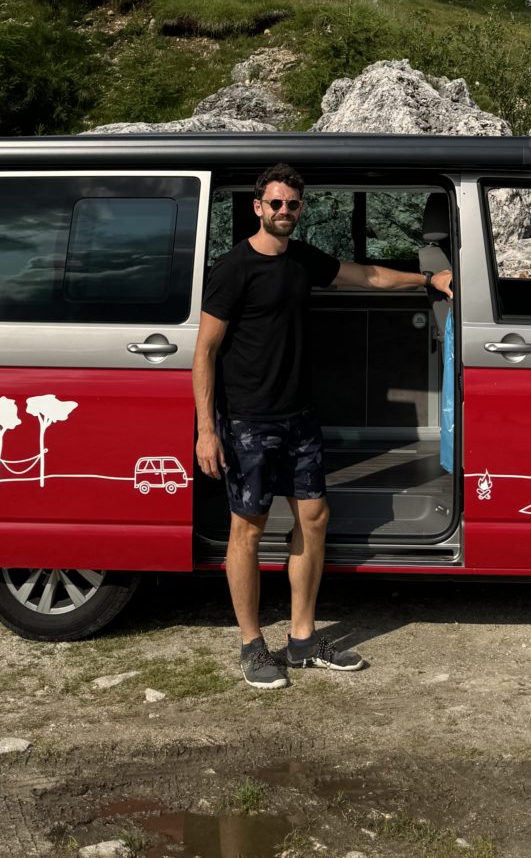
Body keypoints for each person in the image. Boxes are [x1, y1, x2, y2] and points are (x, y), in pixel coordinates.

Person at [194, 162, 455, 690]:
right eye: (275, 203)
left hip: (299, 416)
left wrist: (430, 279)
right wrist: (207, 429)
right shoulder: (233, 268)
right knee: (248, 528)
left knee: (314, 517)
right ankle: (250, 645)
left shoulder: (301, 260)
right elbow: (205, 350)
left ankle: (303, 639)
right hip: (248, 419)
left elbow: (365, 275)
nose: (283, 212)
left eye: (292, 204)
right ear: (257, 207)